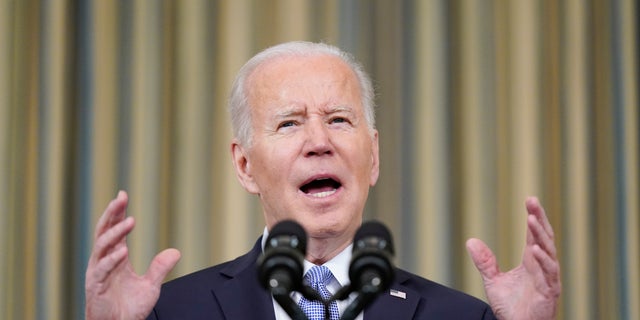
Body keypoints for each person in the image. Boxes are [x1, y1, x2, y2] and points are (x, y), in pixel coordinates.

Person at [85, 41, 561, 319]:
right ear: (245, 165)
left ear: (372, 156)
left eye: (338, 119)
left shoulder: (457, 318)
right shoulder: (173, 314)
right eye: (289, 123)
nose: (319, 141)